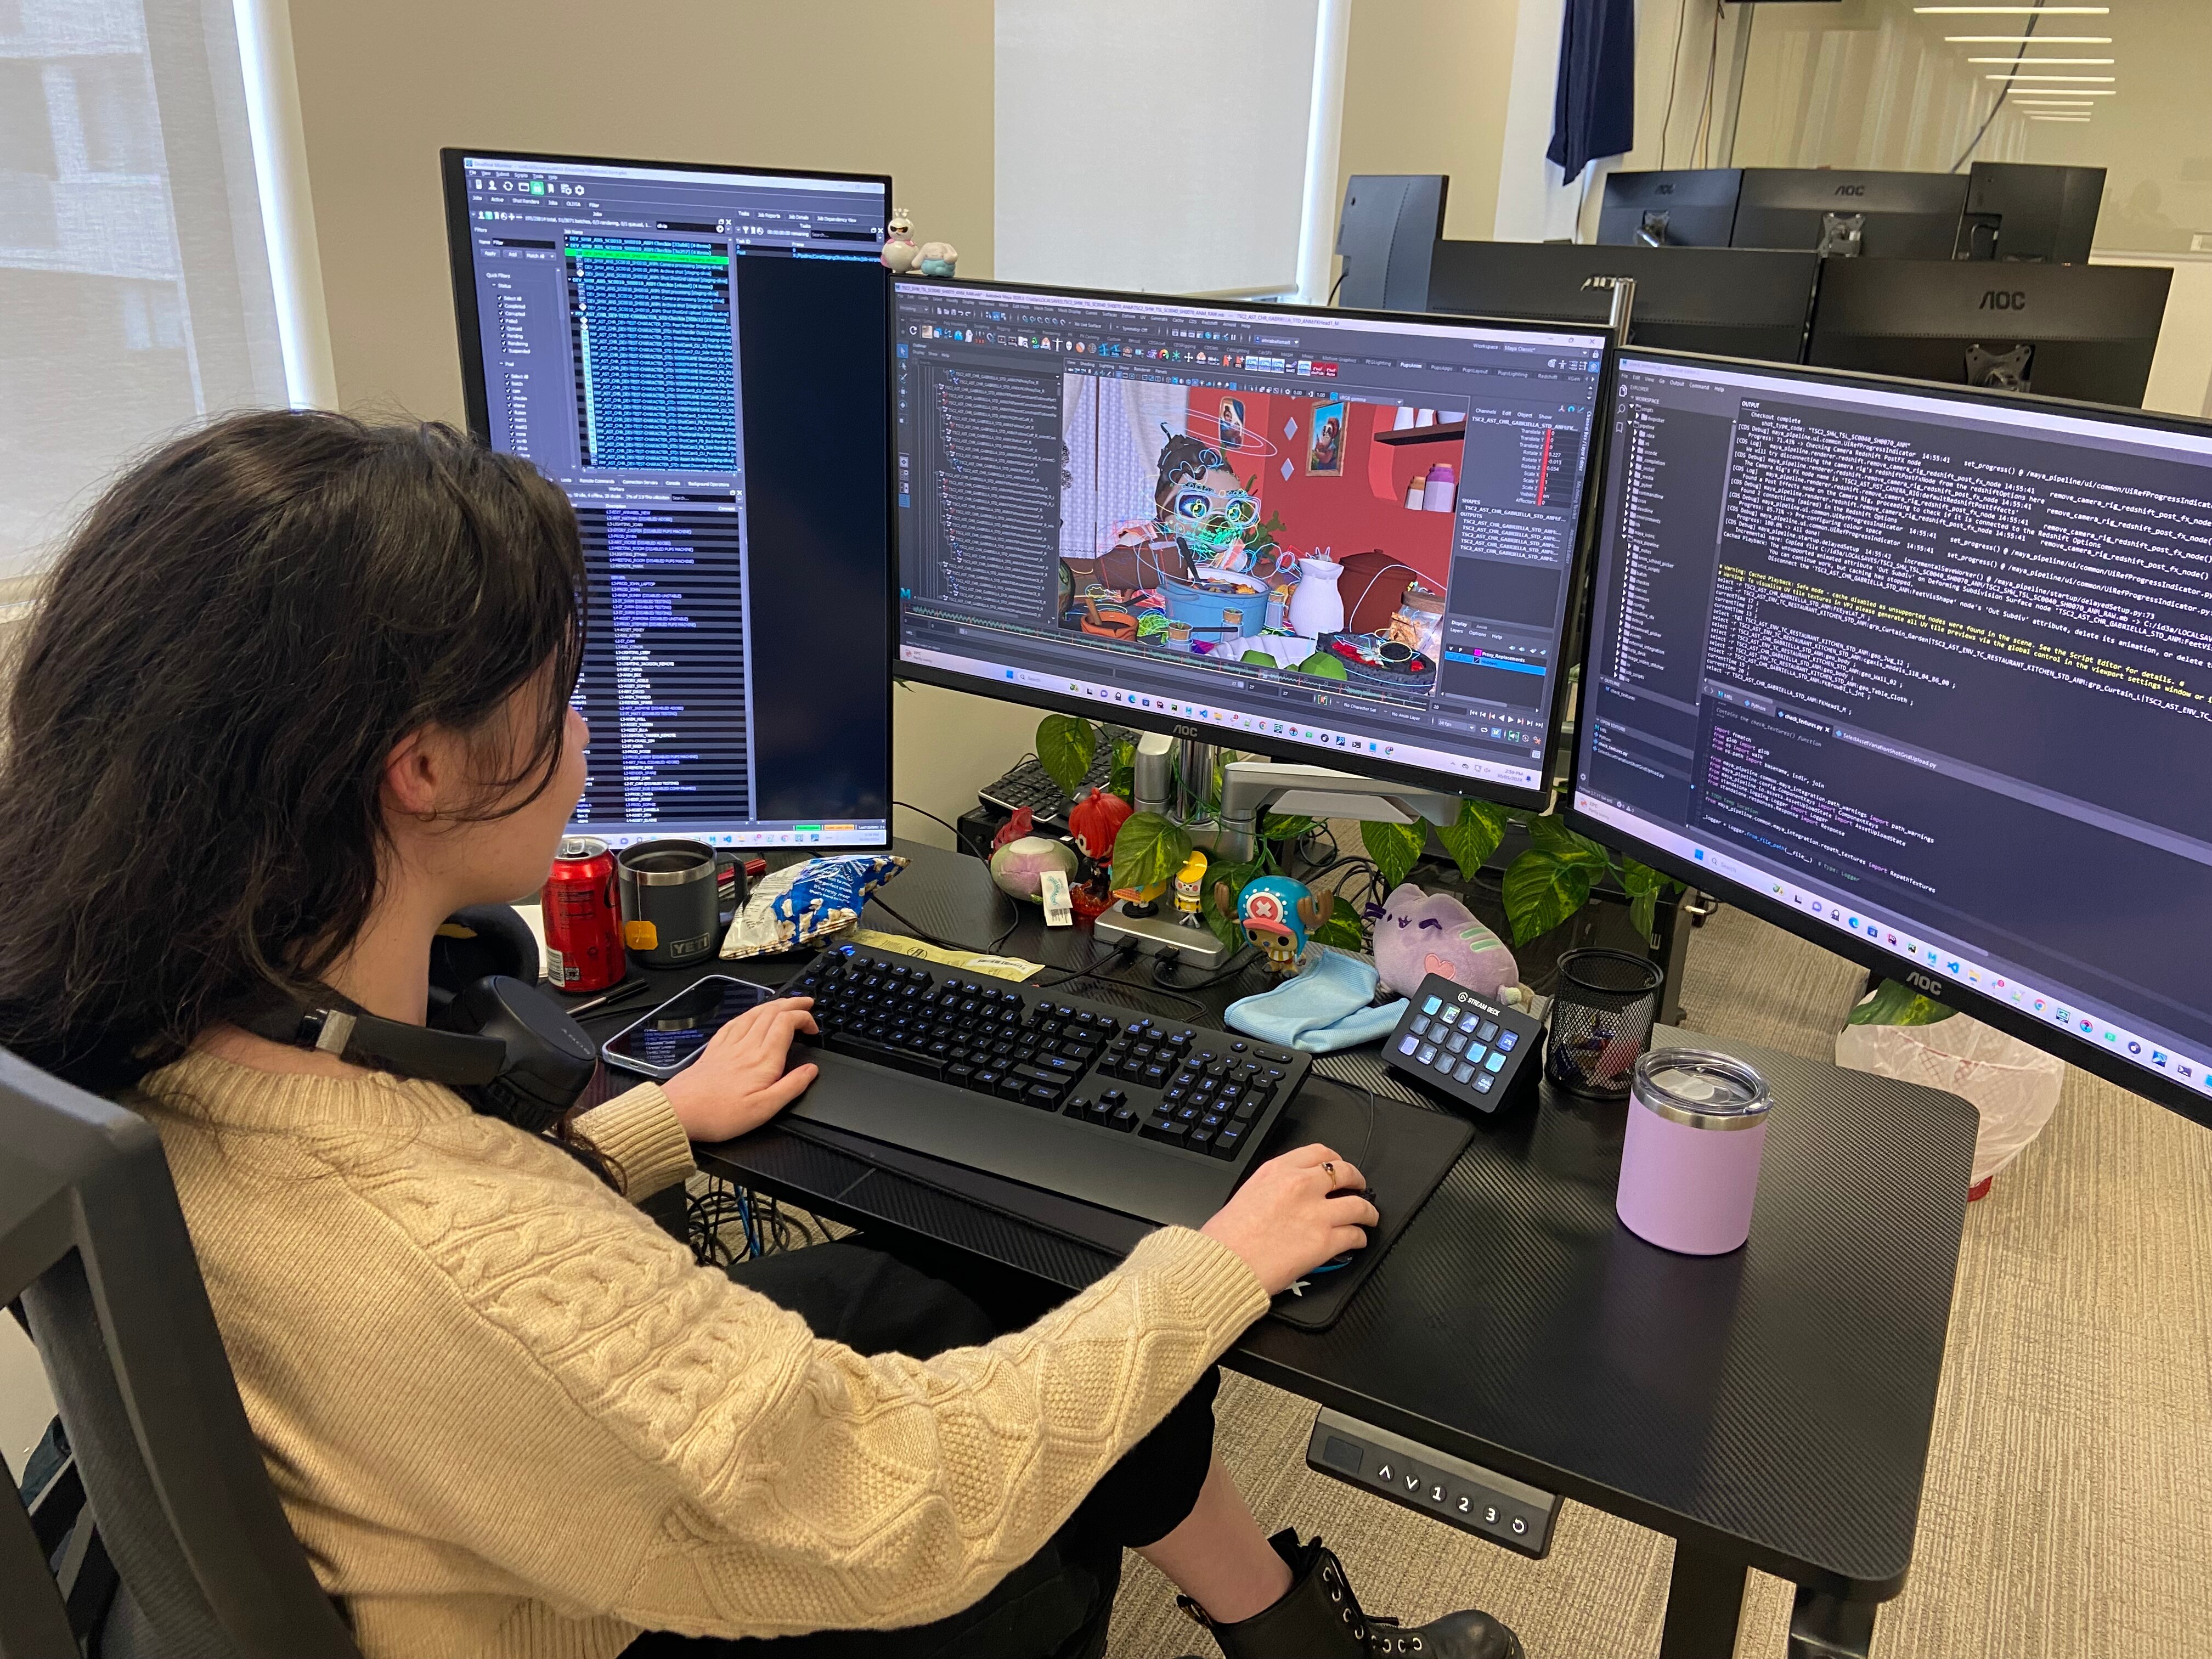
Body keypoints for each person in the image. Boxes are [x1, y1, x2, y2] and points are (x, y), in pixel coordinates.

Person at [0, 411, 1522, 1659]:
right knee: (1052, 1499)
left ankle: (1287, 1635)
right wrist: (1217, 1268)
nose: (586, 731)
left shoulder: (141, 1027)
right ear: (420, 765)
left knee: (984, 1276)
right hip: (574, 1591)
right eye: (559, 688)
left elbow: (417, 1258)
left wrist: (657, 1127)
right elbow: (902, 1503)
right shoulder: (471, 1260)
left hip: (449, 1498)